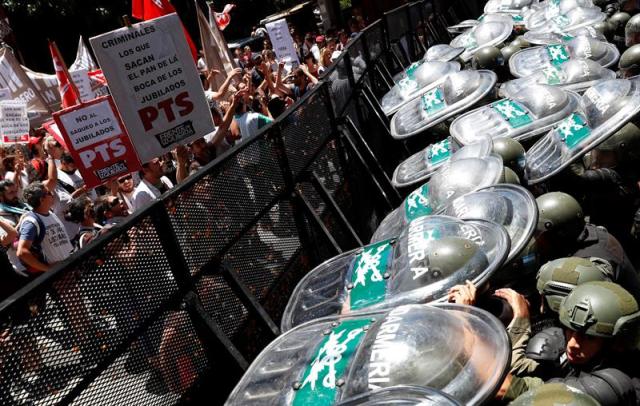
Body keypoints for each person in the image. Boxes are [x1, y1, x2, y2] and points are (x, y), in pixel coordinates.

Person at [498, 282, 640, 405]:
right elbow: (516, 367)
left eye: (589, 337)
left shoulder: (612, 385)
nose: (572, 343)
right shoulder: (588, 358)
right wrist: (521, 317)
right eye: (570, 330)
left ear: (614, 343)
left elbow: (511, 389)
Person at [17, 182, 73, 275]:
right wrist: (48, 270)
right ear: (41, 199)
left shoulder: (50, 213)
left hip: (70, 265)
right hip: (59, 275)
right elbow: (22, 252)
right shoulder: (31, 222)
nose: (52, 194)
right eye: (49, 193)